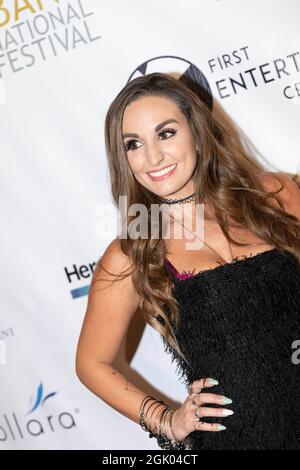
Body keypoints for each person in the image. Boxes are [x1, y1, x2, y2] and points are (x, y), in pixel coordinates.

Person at [75, 72, 300, 450]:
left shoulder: (274, 194)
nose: (153, 157)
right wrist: (165, 419)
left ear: (195, 131)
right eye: (133, 144)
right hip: (240, 439)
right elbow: (91, 364)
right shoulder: (133, 252)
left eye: (166, 133)